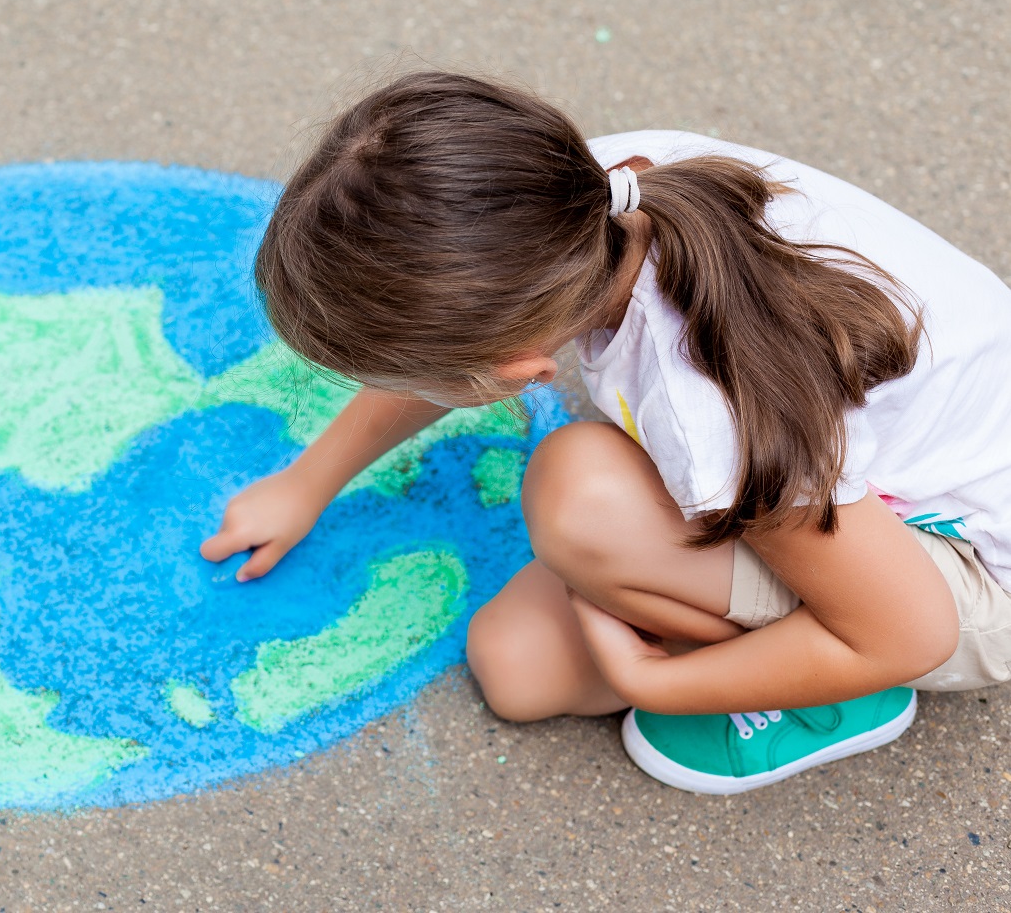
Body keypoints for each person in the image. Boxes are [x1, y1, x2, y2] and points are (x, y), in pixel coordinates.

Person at [199, 70, 1011, 794]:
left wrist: (657, 683)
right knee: (518, 667)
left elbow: (909, 633)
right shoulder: (579, 195)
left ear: (519, 371)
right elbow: (459, 333)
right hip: (848, 486)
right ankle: (754, 631)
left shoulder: (715, 417)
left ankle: (833, 690)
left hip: (962, 582)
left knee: (576, 491)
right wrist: (307, 482)